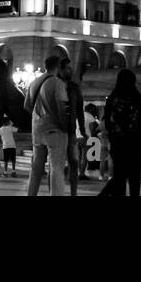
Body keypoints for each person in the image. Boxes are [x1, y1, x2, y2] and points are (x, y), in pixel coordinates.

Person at [99, 69, 141, 196]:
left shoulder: (112, 98)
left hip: (118, 143)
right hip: (134, 144)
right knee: (134, 177)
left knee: (119, 176)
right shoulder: (136, 97)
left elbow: (108, 121)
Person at [27, 56, 71, 196]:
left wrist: (38, 115)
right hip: (54, 130)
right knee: (56, 167)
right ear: (58, 66)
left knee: (36, 167)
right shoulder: (57, 82)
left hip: (37, 130)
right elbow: (61, 107)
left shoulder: (34, 82)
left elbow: (27, 106)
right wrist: (64, 127)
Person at [59, 57, 87, 195]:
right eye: (68, 68)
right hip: (56, 131)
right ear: (61, 70)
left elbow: (80, 109)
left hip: (70, 132)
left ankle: (73, 193)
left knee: (74, 161)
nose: (71, 70)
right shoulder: (54, 84)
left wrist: (82, 130)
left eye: (71, 68)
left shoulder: (75, 88)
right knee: (57, 165)